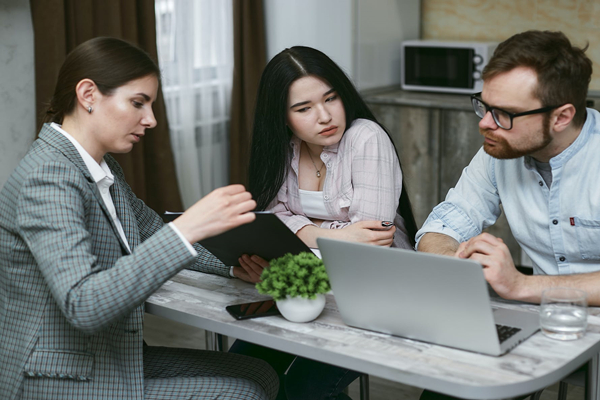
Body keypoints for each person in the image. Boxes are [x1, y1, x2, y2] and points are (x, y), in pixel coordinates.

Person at [0, 37, 278, 400]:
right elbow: (83, 304)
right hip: (57, 376)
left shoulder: (99, 165)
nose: (151, 120)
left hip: (104, 356)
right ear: (88, 94)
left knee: (260, 373)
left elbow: (150, 231)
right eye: (137, 103)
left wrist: (232, 266)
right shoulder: (49, 177)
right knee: (242, 393)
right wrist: (189, 226)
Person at [231, 46, 419, 400]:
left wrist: (290, 254)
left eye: (331, 99)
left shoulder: (366, 137)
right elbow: (273, 220)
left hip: (377, 296)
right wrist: (332, 233)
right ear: (282, 116)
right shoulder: (283, 149)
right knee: (242, 370)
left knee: (305, 388)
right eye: (304, 109)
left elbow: (371, 242)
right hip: (308, 291)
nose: (324, 116)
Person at [416, 29, 596, 399]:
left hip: (557, 311)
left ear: (562, 116)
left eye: (505, 114)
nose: (485, 123)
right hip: (541, 320)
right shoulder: (498, 152)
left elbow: (520, 288)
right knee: (450, 385)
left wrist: (522, 286)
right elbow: (443, 224)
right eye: (484, 106)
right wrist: (457, 261)